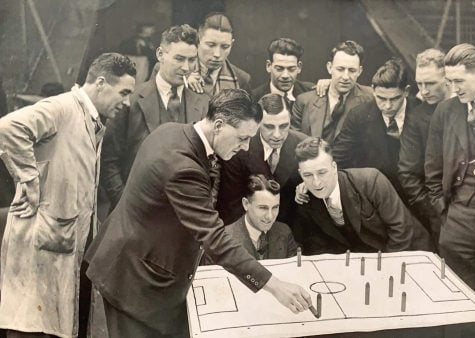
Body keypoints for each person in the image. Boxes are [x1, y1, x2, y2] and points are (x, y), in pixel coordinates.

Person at [86, 89, 312, 338]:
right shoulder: (183, 168)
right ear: (218, 125)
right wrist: (275, 285)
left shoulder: (170, 130)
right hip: (136, 280)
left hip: (143, 262)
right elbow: (214, 238)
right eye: (242, 138)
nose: (246, 147)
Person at [0, 53, 136, 338]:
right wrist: (28, 180)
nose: (126, 102)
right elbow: (8, 128)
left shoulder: (91, 119)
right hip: (40, 242)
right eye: (123, 92)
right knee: (29, 327)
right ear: (100, 83)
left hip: (59, 245)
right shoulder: (62, 107)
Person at [425, 43, 475, 314]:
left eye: (459, 81)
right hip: (457, 223)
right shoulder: (445, 112)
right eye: (449, 81)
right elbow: (432, 169)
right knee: (464, 302)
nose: (453, 87)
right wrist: (443, 212)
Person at [101, 24, 210, 209]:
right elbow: (109, 161)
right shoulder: (131, 100)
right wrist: (124, 206)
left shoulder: (204, 103)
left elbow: (212, 165)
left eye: (192, 60)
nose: (186, 68)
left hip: (185, 217)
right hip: (135, 214)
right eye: (179, 59)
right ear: (160, 54)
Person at [293, 137, 431, 255]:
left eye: (322, 172)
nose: (316, 182)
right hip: (362, 261)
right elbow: (318, 245)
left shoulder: (370, 180)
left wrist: (388, 268)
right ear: (300, 174)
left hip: (409, 252)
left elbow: (401, 229)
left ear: (334, 167)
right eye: (308, 175)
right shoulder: (306, 198)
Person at [217, 93, 307, 225]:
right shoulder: (238, 149)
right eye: (269, 126)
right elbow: (231, 205)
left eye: (283, 126)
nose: (277, 135)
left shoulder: (303, 145)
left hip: (291, 229)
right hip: (248, 226)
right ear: (257, 123)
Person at [333, 58, 418, 192]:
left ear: (406, 91)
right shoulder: (358, 116)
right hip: (373, 194)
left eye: (395, 99)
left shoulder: (423, 114)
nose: (388, 106)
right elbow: (339, 159)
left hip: (415, 196)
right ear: (373, 90)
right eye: (381, 98)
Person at [397, 48, 451, 248]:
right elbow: (407, 173)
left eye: (430, 83)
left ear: (447, 78)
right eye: (420, 83)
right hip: (442, 214)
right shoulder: (417, 118)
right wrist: (436, 210)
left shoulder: (469, 107)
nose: (424, 90)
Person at [291, 40, 372, 143]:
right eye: (340, 69)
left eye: (352, 71)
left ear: (360, 71)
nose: (345, 77)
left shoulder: (371, 98)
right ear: (329, 68)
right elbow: (294, 142)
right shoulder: (304, 101)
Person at [224, 174, 298, 260]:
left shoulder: (284, 232)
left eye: (275, 207)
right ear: (246, 204)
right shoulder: (224, 239)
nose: (270, 216)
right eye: (263, 208)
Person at [195, 12, 252, 96]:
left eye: (225, 47)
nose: (217, 54)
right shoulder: (183, 73)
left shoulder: (241, 79)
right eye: (211, 45)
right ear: (198, 40)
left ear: (232, 44)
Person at [251, 38, 314, 108]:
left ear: (299, 67)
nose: (285, 75)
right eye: (279, 69)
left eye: (291, 69)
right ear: (268, 66)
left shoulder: (311, 93)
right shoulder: (253, 100)